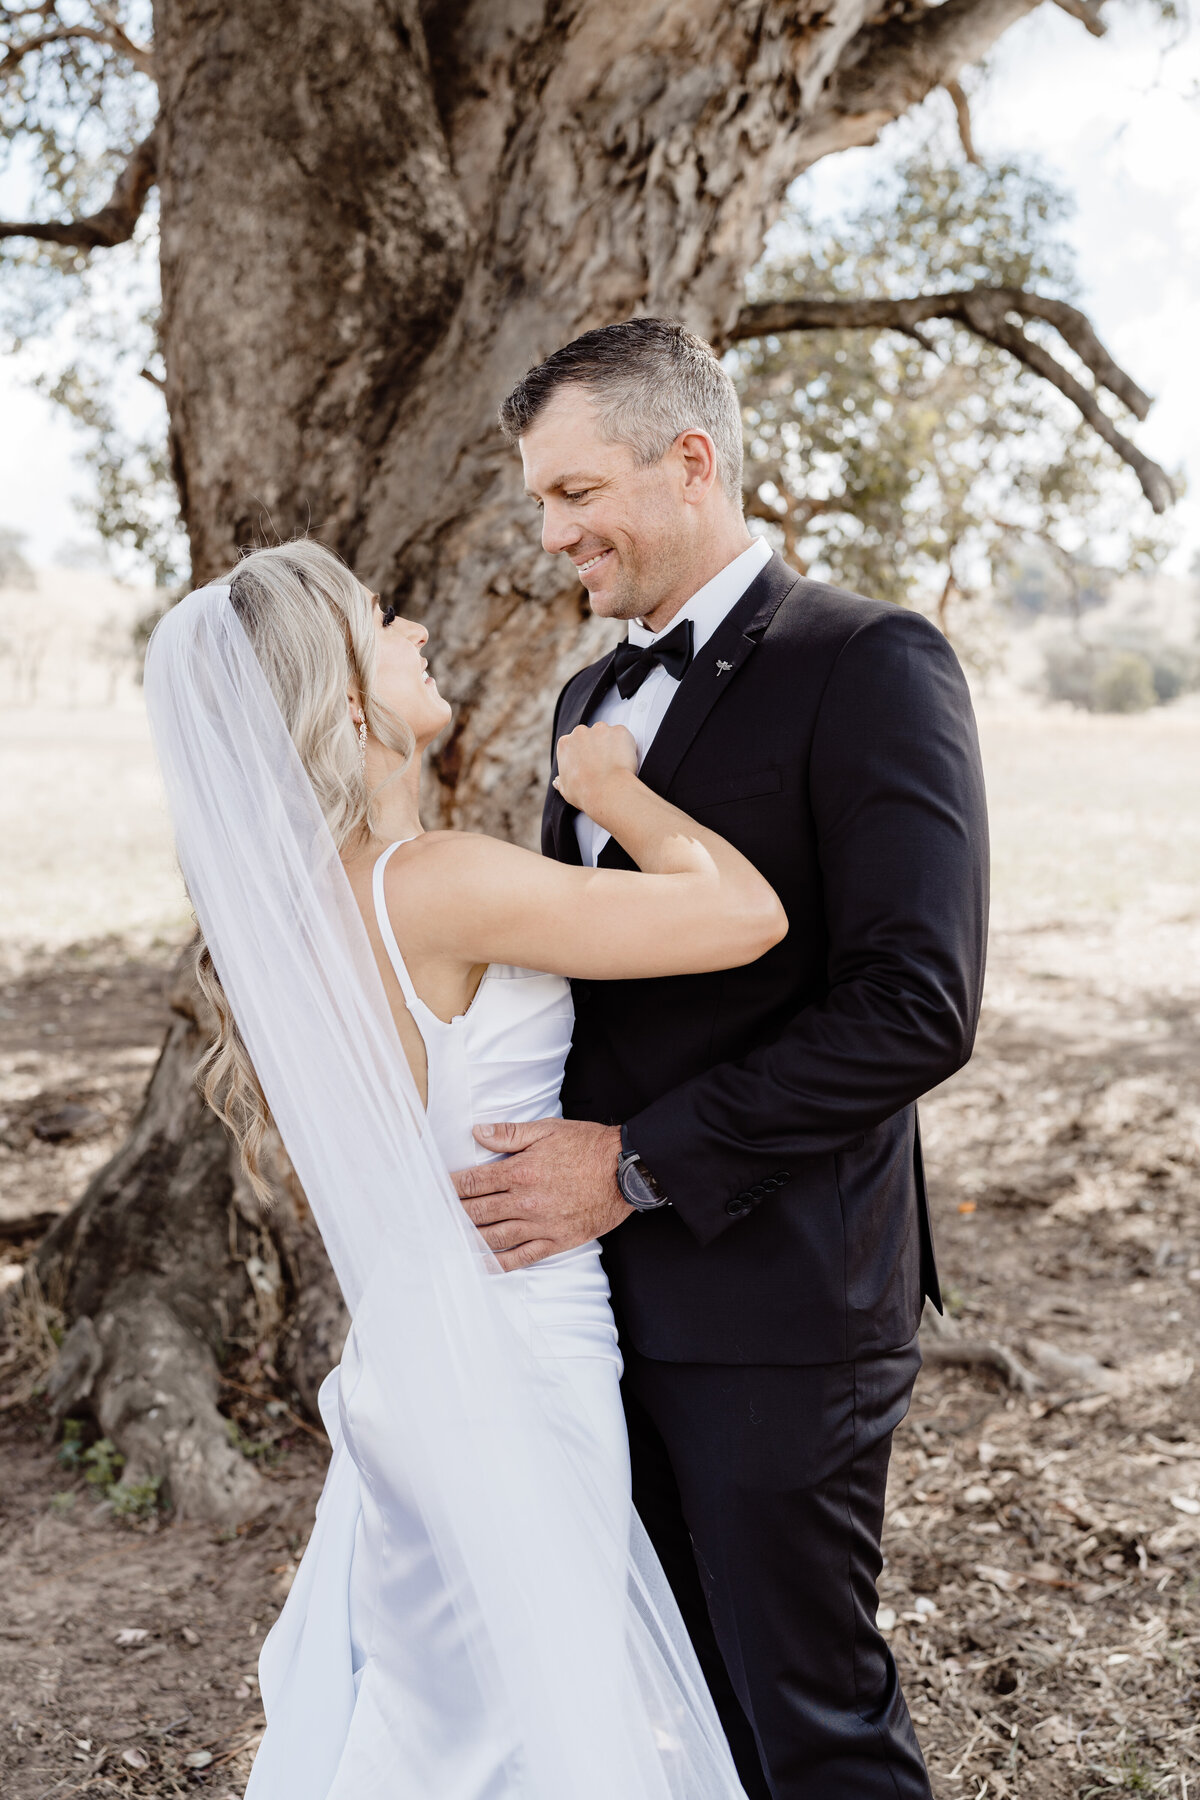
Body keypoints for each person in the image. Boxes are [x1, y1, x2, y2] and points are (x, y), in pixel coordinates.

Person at [143, 537, 787, 1799]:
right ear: (341, 696)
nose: (419, 634)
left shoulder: (300, 908)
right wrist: (619, 796)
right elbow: (744, 916)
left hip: (409, 1359)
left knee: (442, 1714)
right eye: (382, 622)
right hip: (518, 1349)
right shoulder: (435, 885)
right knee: (526, 1732)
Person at [451, 318, 990, 1799]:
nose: (551, 534)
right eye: (540, 503)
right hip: (595, 1307)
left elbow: (916, 1003)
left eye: (575, 494)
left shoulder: (870, 662)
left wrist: (632, 1165)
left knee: (808, 1723)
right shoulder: (584, 704)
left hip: (783, 1297)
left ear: (691, 460)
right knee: (678, 1711)